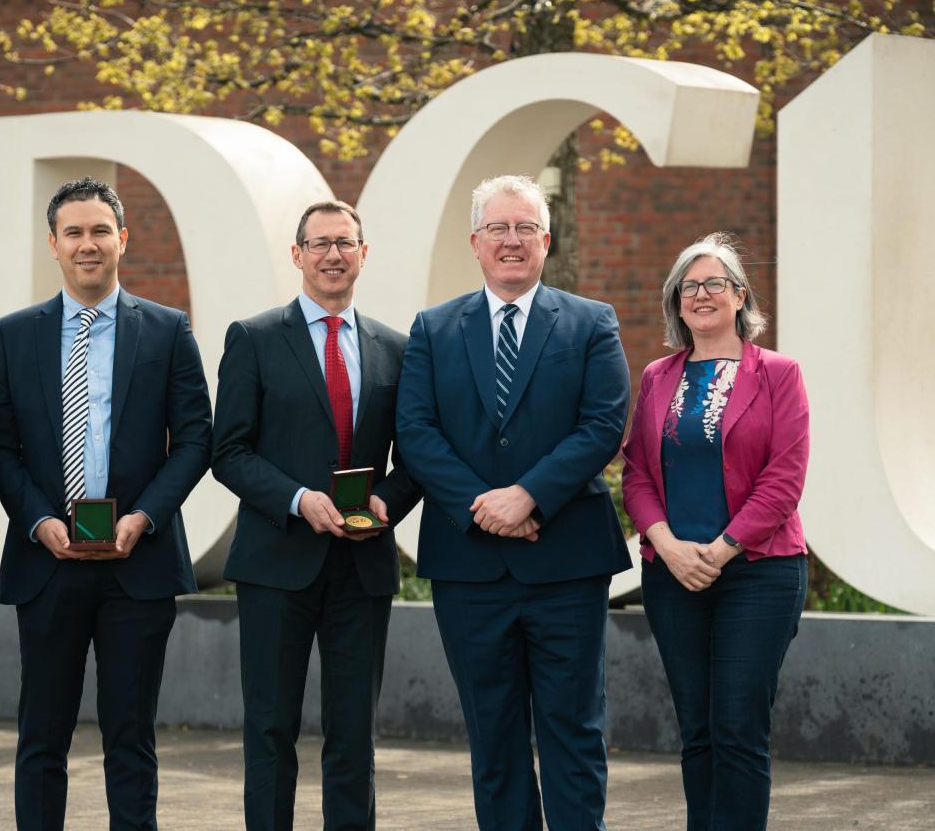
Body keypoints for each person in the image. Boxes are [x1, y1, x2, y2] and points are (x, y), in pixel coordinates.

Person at [395, 174, 631, 831]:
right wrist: (482, 503)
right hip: (469, 568)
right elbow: (415, 431)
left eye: (525, 227)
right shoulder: (433, 328)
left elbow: (604, 424)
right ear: (474, 242)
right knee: (493, 740)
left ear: (546, 241)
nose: (511, 240)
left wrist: (528, 494)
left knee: (574, 731)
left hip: (567, 565)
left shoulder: (591, 323)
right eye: (497, 227)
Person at [0, 176, 212, 830]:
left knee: (131, 734)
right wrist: (37, 520)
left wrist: (146, 516)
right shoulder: (14, 334)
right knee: (41, 736)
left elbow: (197, 437)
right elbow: (0, 447)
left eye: (100, 230)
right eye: (75, 232)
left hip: (137, 565)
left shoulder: (167, 330)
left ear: (123, 239)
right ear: (53, 243)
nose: (89, 244)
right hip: (47, 563)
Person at [212, 200, 422, 831]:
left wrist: (389, 497)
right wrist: (299, 500)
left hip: (362, 566)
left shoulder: (397, 347)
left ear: (364, 253)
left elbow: (414, 458)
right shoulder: (252, 338)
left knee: (353, 733)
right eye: (320, 243)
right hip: (277, 562)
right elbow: (229, 452)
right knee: (271, 728)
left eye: (345, 243)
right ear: (297, 254)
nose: (334, 255)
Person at [620, 233, 809, 831]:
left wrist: (722, 550)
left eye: (715, 284)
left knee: (737, 728)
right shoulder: (656, 376)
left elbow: (784, 480)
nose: (701, 295)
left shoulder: (779, 373)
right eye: (689, 287)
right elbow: (637, 474)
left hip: (758, 573)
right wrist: (669, 548)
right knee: (697, 730)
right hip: (674, 574)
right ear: (677, 303)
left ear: (739, 296)